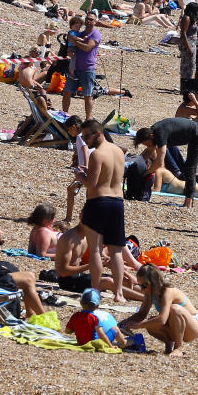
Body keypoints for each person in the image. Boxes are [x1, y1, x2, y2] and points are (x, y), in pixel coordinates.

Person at [78, 119, 129, 302]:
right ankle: (119, 293)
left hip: (98, 202)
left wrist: (81, 176)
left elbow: (91, 184)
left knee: (95, 250)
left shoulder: (97, 154)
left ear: (97, 134)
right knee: (116, 250)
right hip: (117, 202)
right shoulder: (118, 151)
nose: (84, 141)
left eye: (86, 136)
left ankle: (95, 290)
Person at [122, 264, 198, 356]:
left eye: (144, 286)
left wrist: (139, 325)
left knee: (174, 309)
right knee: (150, 323)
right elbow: (141, 314)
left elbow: (162, 320)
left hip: (192, 327)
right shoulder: (149, 293)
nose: (142, 289)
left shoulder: (167, 291)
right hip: (176, 325)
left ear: (153, 282)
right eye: (139, 286)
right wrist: (124, 323)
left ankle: (178, 347)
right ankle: (168, 346)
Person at [134, 117, 198, 209]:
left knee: (190, 168)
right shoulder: (153, 133)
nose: (147, 146)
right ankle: (187, 184)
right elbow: (149, 150)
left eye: (146, 143)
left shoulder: (159, 134)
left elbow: (159, 163)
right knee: (186, 168)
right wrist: (136, 163)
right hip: (189, 135)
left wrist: (145, 174)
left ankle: (188, 203)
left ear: (151, 136)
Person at [62, 13, 102, 121]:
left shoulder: (95, 34)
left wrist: (75, 40)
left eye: (91, 20)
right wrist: (71, 47)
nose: (88, 21)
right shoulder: (81, 33)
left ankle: (88, 118)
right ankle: (64, 114)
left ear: (95, 22)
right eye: (87, 19)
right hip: (75, 67)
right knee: (67, 91)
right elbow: (70, 44)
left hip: (87, 68)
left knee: (87, 95)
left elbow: (87, 48)